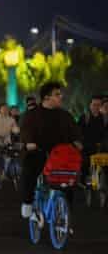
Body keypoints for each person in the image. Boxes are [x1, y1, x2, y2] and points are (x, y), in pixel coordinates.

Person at [20, 82, 83, 223]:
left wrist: (78, 141)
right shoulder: (32, 115)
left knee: (70, 178)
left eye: (60, 94)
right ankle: (27, 203)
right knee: (29, 169)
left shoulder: (65, 115)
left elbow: (75, 131)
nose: (61, 97)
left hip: (60, 155)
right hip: (39, 152)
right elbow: (25, 131)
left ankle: (65, 213)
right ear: (46, 97)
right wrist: (29, 142)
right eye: (57, 94)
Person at [78, 95, 108, 183]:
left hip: (100, 151)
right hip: (86, 151)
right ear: (90, 105)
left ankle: (99, 189)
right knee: (85, 172)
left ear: (101, 106)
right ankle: (85, 187)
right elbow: (77, 134)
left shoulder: (105, 119)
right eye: (94, 104)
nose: (96, 107)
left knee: (100, 174)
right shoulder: (84, 118)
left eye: (98, 105)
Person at [0, 103, 20, 174]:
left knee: (16, 152)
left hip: (7, 141)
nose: (5, 110)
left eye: (7, 108)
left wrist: (18, 131)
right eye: (3, 108)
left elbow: (15, 128)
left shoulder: (11, 119)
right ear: (0, 110)